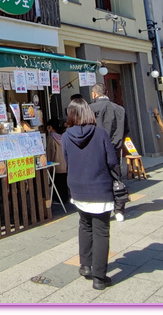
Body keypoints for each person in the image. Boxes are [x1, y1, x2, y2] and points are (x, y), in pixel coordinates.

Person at [62, 97, 117, 290]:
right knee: (101, 230)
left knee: (84, 225)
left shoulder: (66, 136)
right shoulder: (100, 134)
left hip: (77, 187)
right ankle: (99, 277)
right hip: (99, 186)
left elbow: (67, 159)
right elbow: (112, 161)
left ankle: (85, 266)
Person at [88, 85, 127, 220]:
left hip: (95, 150)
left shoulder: (90, 109)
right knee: (116, 178)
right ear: (107, 92)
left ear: (94, 94)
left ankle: (102, 209)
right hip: (115, 149)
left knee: (98, 179)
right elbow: (126, 130)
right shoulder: (120, 109)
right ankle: (119, 210)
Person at [46, 118, 70, 206]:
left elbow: (50, 152)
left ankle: (58, 200)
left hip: (56, 166)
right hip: (66, 164)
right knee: (64, 182)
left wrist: (48, 166)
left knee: (57, 183)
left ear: (51, 127)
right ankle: (65, 198)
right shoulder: (64, 136)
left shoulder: (51, 138)